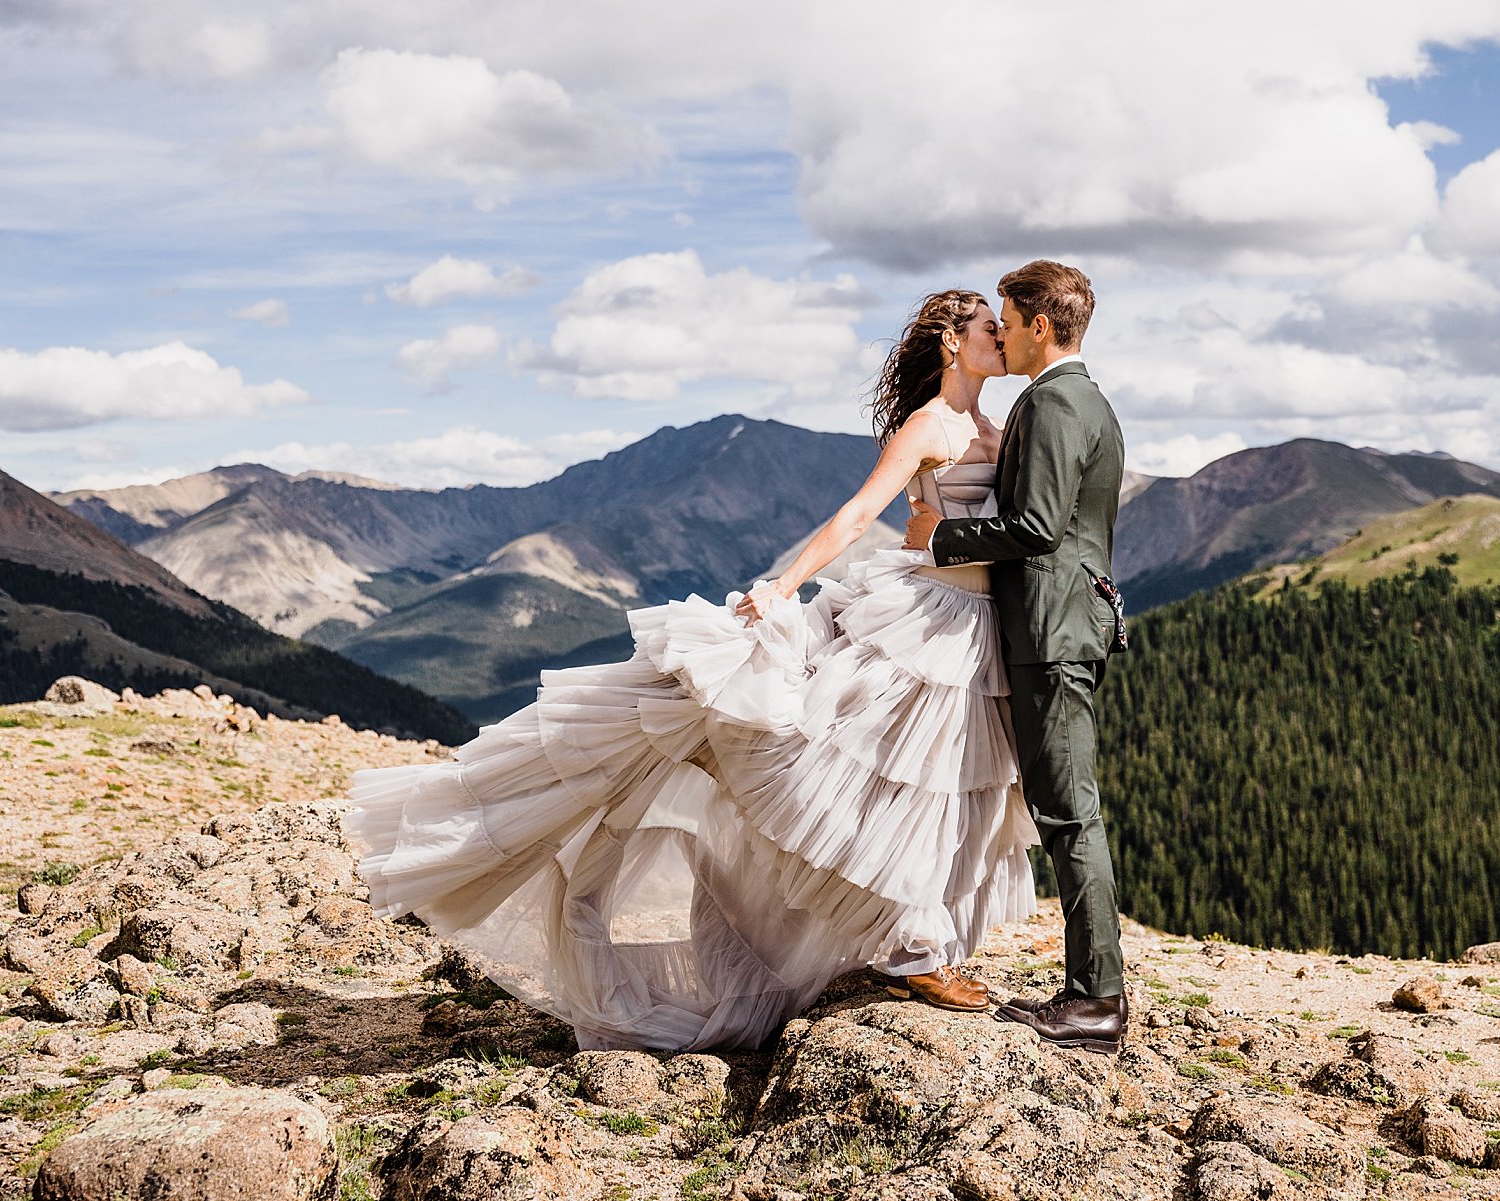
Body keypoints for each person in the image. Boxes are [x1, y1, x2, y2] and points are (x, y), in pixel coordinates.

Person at [344, 288, 1037, 1052]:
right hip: (924, 622)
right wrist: (785, 582)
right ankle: (917, 951)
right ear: (950, 341)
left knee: (942, 790)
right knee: (890, 787)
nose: (1002, 340)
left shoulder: (998, 431)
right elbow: (855, 515)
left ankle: (921, 942)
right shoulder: (928, 426)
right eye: (988, 329)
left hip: (975, 632)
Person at [904, 259, 1129, 1054]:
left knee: (1069, 812)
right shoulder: (1082, 398)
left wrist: (940, 538)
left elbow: (1034, 526)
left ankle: (1097, 1000)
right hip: (1062, 625)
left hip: (1051, 630)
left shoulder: (1056, 402)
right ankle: (1088, 991)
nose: (1000, 331)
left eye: (1007, 318)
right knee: (1067, 808)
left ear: (1040, 325)